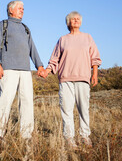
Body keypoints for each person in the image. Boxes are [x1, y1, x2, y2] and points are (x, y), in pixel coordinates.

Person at [40, 11, 101, 148]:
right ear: (68, 22)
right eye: (73, 19)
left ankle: (85, 136)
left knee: (83, 108)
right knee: (66, 109)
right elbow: (54, 59)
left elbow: (95, 57)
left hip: (83, 78)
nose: (76, 20)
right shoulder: (63, 39)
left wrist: (95, 74)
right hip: (66, 79)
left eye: (78, 19)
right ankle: (69, 138)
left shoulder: (88, 38)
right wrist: (47, 71)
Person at [0, 0, 45, 140]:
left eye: (23, 8)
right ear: (11, 10)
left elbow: (32, 48)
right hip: (8, 69)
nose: (22, 10)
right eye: (20, 8)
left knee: (27, 101)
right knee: (5, 100)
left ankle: (26, 135)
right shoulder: (2, 25)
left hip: (25, 70)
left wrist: (39, 65)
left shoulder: (25, 28)